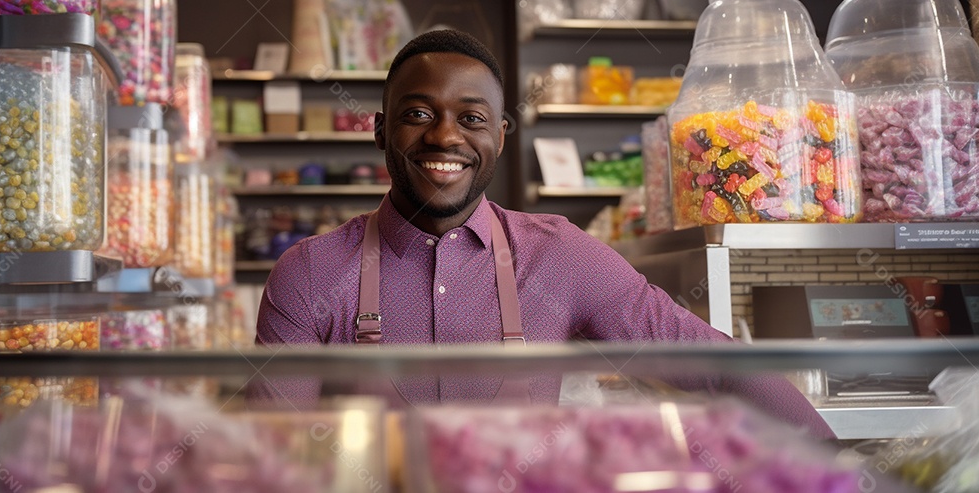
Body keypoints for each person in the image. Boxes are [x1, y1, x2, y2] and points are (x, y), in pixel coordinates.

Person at [256, 29, 834, 438]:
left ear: (502, 135)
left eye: (472, 118)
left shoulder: (560, 256)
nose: (445, 137)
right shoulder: (312, 273)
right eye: (418, 114)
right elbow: (272, 456)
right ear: (381, 130)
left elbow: (712, 367)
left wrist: (838, 473)